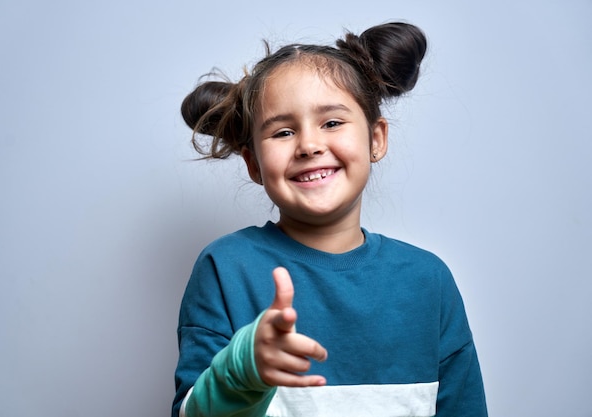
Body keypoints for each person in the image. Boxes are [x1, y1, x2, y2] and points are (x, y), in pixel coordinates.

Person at [172, 21, 488, 417]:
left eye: (332, 122)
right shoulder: (225, 268)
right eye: (283, 132)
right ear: (253, 162)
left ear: (376, 139)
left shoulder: (429, 280)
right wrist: (243, 373)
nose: (308, 145)